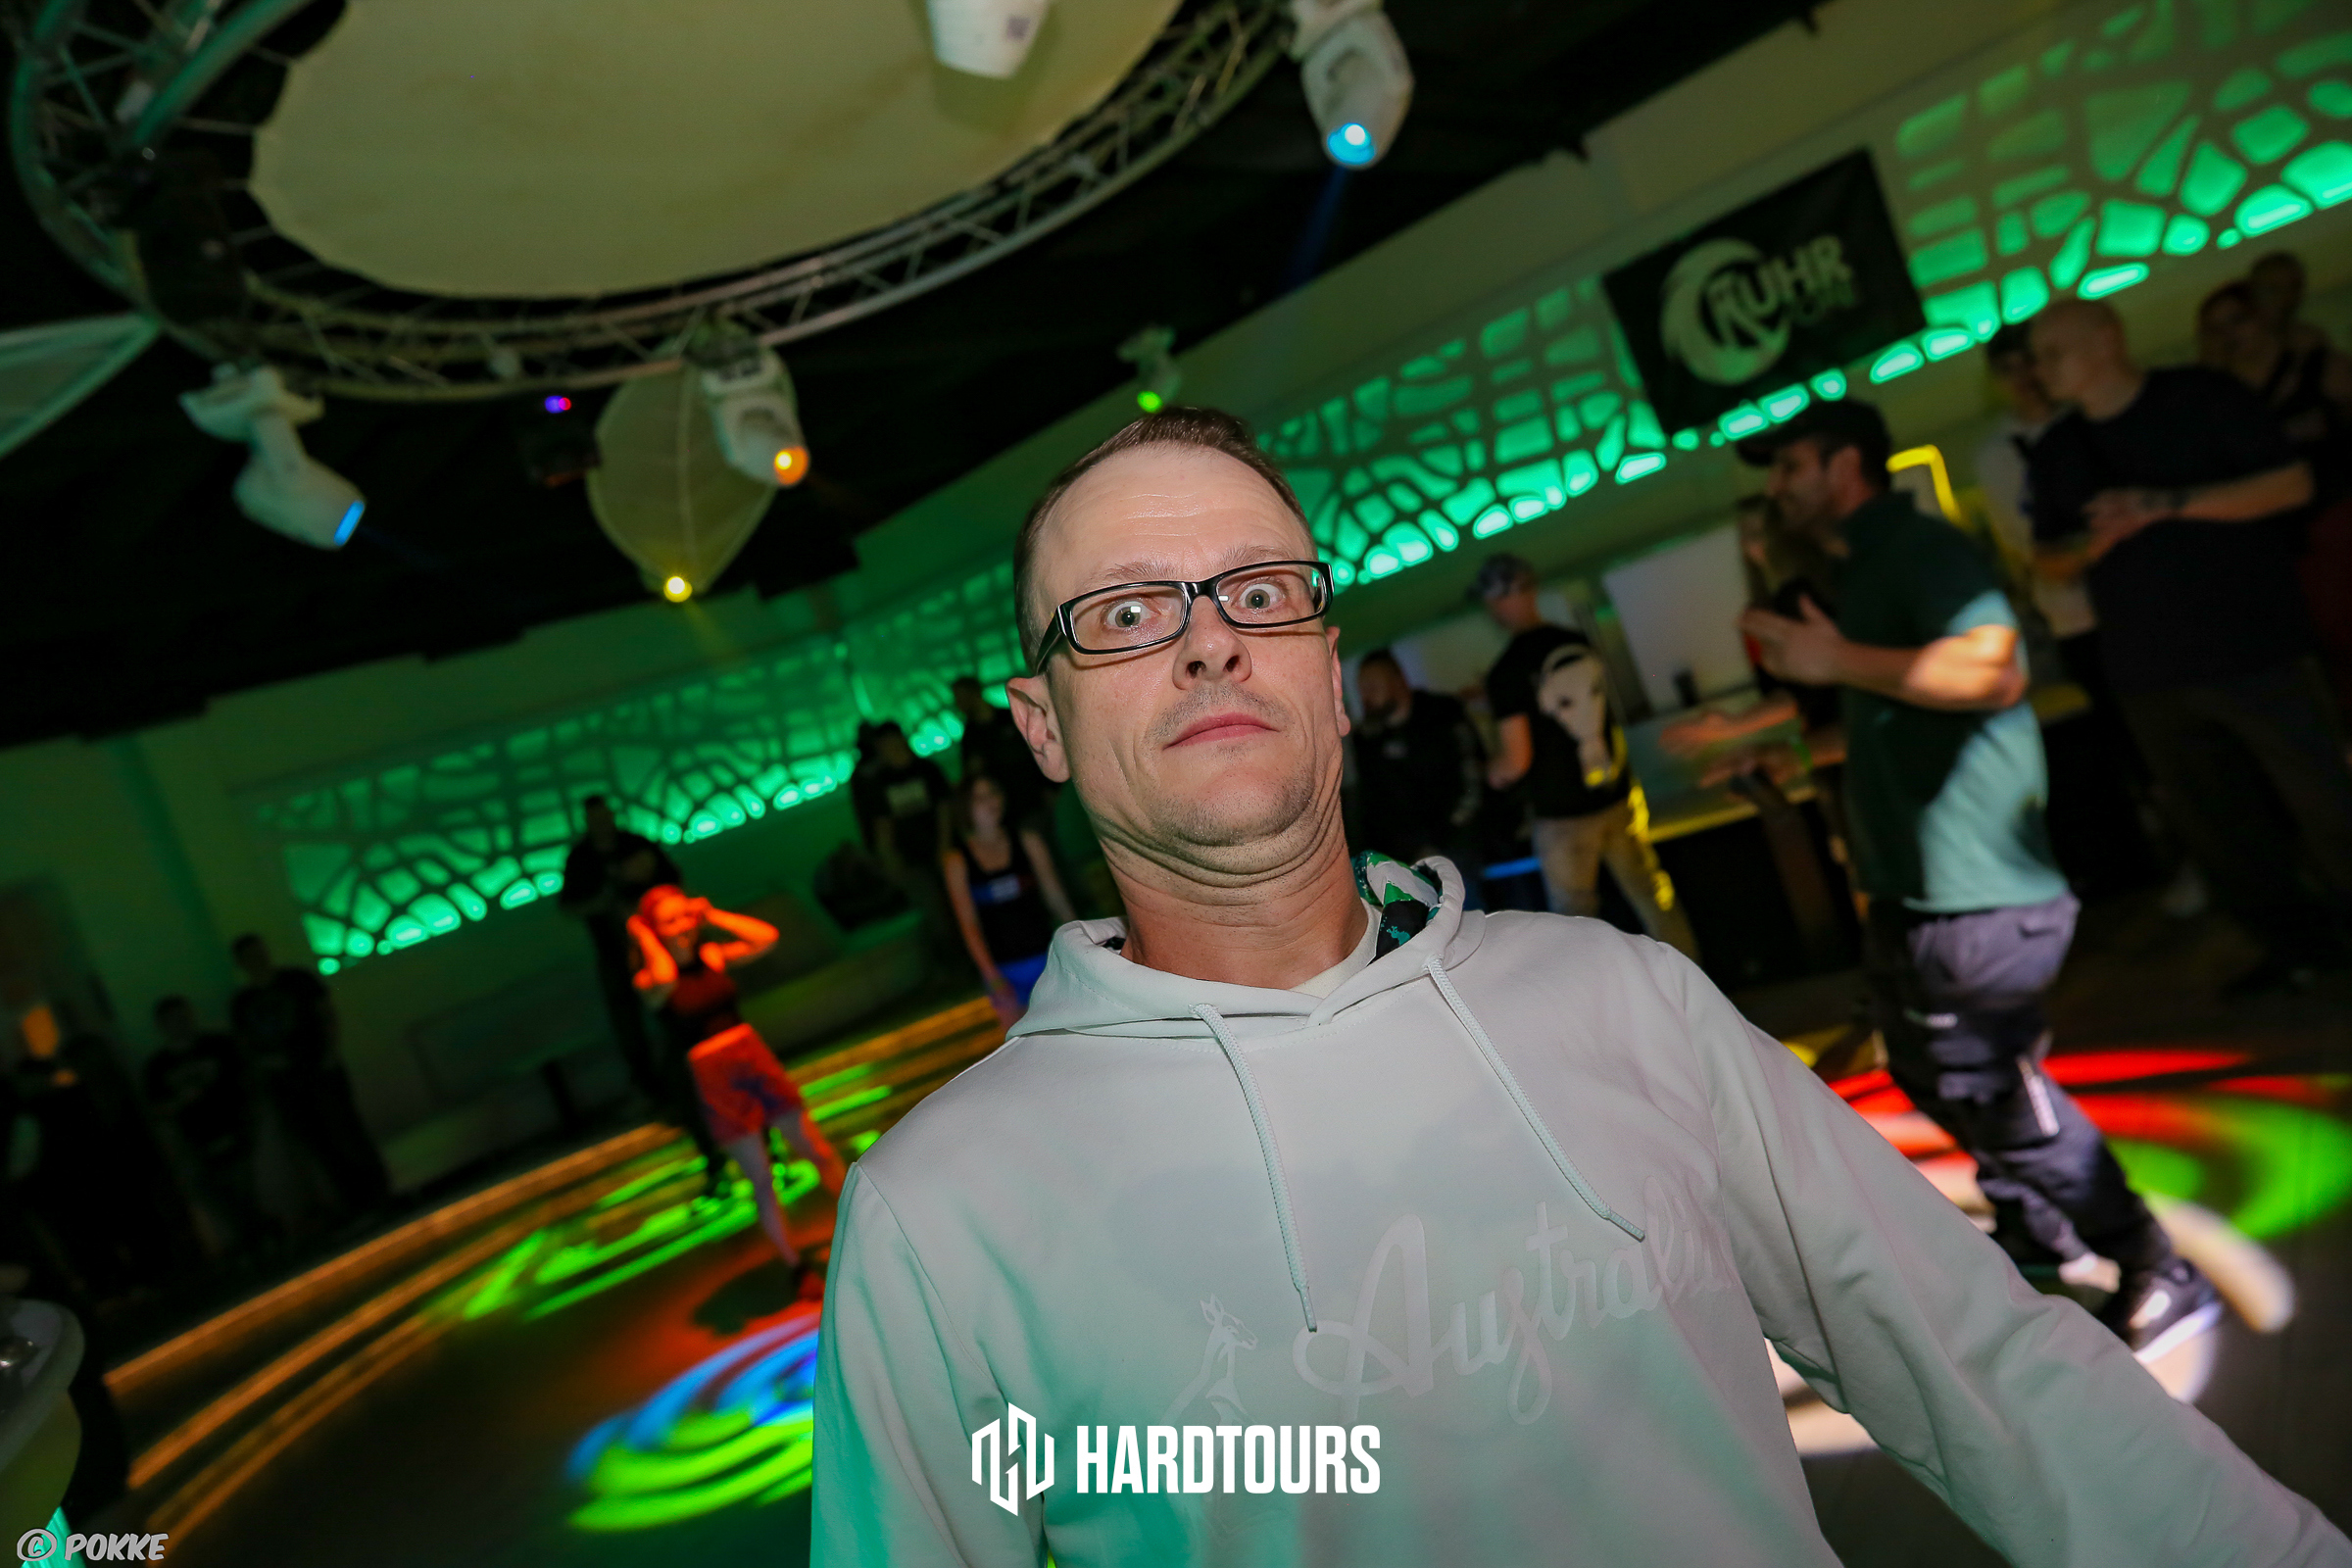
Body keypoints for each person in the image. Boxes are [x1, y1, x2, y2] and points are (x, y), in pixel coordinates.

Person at [810, 405, 2346, 1566]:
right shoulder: (945, 1217)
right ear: (1041, 724)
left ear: (1331, 678)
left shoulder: (1625, 1003)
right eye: (1128, 615)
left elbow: (1979, 1357)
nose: (1210, 644)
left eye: (1258, 592)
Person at [1736, 396, 2208, 1335]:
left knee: (1989, 1088)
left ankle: (2155, 1263)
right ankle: (2037, 1228)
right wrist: (1789, 750)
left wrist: (1836, 657)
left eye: (1790, 466)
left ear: (1845, 466)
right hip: (1914, 892)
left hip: (1977, 896)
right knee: (1928, 1072)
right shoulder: (1860, 570)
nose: (1777, 489)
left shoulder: (1919, 549)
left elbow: (1994, 670)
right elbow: (1889, 709)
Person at [2029, 299, 2352, 994]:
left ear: (2107, 339)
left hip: (2256, 647)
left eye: (2055, 351)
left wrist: (2165, 505)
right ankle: (2300, 950)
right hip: (2150, 671)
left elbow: (2291, 483)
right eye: (2037, 357)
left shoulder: (2201, 397)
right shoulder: (2059, 450)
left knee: (2324, 800)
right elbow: (2047, 559)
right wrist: (2095, 542)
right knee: (2219, 828)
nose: (2042, 369)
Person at [1476, 553, 1699, 958]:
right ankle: (1692, 979)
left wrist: (1491, 772)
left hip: (1563, 818)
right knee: (1654, 897)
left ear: (1496, 599)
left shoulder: (1506, 670)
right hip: (1618, 795)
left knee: (1575, 926)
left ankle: (1601, 1000)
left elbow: (1516, 761)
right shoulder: (1577, 643)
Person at [630, 885, 847, 1269]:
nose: (682, 926)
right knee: (761, 1179)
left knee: (817, 1149)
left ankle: (861, 1224)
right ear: (653, 929)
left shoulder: (711, 955)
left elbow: (766, 937)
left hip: (750, 1054)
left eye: (685, 915)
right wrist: (643, 934)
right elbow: (665, 975)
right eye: (670, 921)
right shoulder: (648, 980)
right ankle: (794, 1265)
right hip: (712, 1074)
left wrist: (711, 914)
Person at [228, 934, 391, 1220]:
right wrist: (270, 1064)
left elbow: (327, 1014)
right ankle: (356, 1201)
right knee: (319, 1141)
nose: (259, 959)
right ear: (242, 963)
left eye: (260, 952)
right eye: (251, 955)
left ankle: (379, 1194)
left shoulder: (297, 980)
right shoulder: (243, 1002)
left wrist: (329, 1053)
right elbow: (245, 1046)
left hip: (319, 1067)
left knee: (346, 1131)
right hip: (287, 1082)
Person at [558, 794, 681, 1102]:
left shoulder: (634, 844)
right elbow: (569, 906)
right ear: (588, 822)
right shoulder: (582, 859)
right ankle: (653, 1089)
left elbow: (673, 880)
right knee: (629, 1024)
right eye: (596, 818)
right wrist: (601, 901)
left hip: (658, 946)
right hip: (614, 952)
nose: (602, 823)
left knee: (675, 1009)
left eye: (605, 816)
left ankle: (684, 1075)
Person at [943, 773, 1078, 1027]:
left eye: (993, 794)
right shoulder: (957, 862)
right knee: (1022, 1043)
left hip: (1045, 959)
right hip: (1005, 970)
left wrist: (1079, 943)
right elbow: (969, 925)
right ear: (965, 807)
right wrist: (991, 975)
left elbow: (1056, 898)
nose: (991, 802)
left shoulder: (1028, 841)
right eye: (980, 798)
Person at [1348, 649, 1486, 892]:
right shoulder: (1367, 741)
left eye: (1373, 686)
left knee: (1456, 884)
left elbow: (1472, 782)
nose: (1366, 697)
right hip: (1402, 857)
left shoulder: (1443, 715)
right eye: (1361, 689)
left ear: (1398, 680)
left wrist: (1437, 845)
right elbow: (1373, 808)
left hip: (1459, 843)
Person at [145, 997, 272, 1258]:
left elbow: (247, 1080)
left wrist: (251, 1120)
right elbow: (157, 1109)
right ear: (162, 1025)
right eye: (173, 1020)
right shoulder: (158, 1066)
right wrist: (181, 1101)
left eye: (183, 1017)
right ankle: (256, 1246)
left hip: (234, 1129)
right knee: (222, 1198)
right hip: (194, 1142)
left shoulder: (219, 1045)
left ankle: (260, 1245)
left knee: (244, 1191)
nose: (180, 1024)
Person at [849, 719, 956, 955]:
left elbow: (944, 808)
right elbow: (881, 822)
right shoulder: (879, 781)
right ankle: (950, 956)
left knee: (957, 901)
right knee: (933, 909)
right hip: (911, 857)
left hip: (941, 849)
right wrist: (887, 857)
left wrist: (945, 844)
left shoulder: (927, 770)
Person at [954, 674, 1049, 832]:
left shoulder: (1009, 718)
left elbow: (1038, 750)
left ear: (975, 693)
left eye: (961, 697)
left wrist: (1048, 787)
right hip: (1005, 810)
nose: (959, 704)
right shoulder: (970, 737)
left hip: (1034, 796)